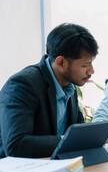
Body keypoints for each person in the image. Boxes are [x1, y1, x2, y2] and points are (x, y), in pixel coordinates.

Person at [0, 23, 99, 158]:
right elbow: (16, 145)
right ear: (61, 63)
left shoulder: (69, 84)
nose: (91, 71)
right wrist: (70, 141)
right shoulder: (23, 84)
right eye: (85, 65)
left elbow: (77, 127)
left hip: (49, 165)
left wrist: (93, 137)